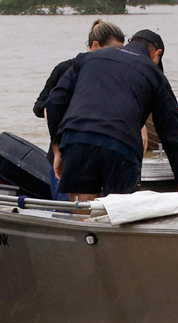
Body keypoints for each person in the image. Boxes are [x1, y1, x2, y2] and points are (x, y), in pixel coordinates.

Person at [46, 29, 178, 200]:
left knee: (83, 210)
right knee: (119, 213)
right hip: (121, 145)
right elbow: (172, 133)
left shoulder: (89, 58)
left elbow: (54, 102)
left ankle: (84, 223)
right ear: (156, 54)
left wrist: (57, 148)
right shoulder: (155, 75)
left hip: (79, 140)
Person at [33, 20, 126, 198]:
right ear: (95, 45)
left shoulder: (117, 74)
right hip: (65, 152)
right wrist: (49, 110)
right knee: (66, 213)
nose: (118, 57)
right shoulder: (66, 69)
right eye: (114, 51)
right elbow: (40, 105)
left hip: (103, 154)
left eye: (121, 52)